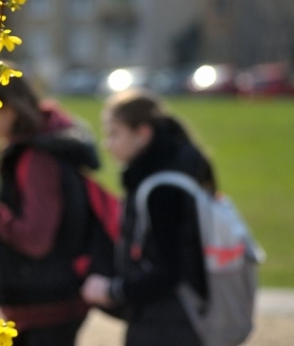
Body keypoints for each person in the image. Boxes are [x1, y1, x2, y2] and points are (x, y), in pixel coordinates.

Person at [0, 74, 111, 346]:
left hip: (47, 306)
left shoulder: (37, 159)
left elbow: (36, 238)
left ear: (9, 109)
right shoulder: (40, 145)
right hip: (45, 302)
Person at [81, 88, 216, 346]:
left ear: (142, 134)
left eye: (114, 133)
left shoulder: (161, 189)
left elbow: (168, 270)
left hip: (165, 323)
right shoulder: (184, 166)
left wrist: (113, 290)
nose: (106, 143)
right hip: (187, 315)